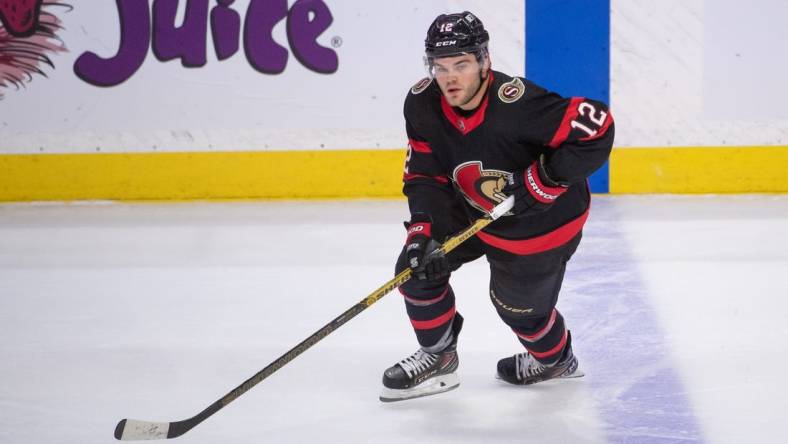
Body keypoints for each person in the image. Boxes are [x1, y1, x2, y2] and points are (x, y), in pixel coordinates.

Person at [379, 11, 615, 402]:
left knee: (519, 311)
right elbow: (424, 173)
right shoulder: (422, 103)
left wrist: (546, 181)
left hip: (542, 219)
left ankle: (555, 360)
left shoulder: (518, 105)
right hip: (472, 205)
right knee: (416, 266)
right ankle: (439, 359)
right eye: (440, 67)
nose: (450, 78)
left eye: (461, 65)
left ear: (484, 61)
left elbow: (597, 127)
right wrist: (423, 229)